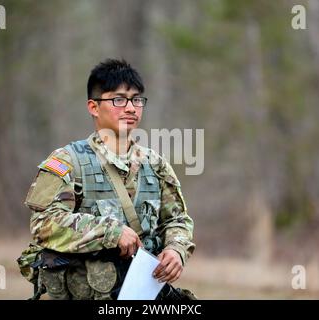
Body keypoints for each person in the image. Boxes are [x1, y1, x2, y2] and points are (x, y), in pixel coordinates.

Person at [18, 59, 196, 300]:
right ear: (93, 107)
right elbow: (44, 224)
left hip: (144, 294)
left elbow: (177, 220)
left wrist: (176, 250)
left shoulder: (155, 165)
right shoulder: (69, 161)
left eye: (136, 99)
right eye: (118, 100)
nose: (131, 108)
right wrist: (110, 232)